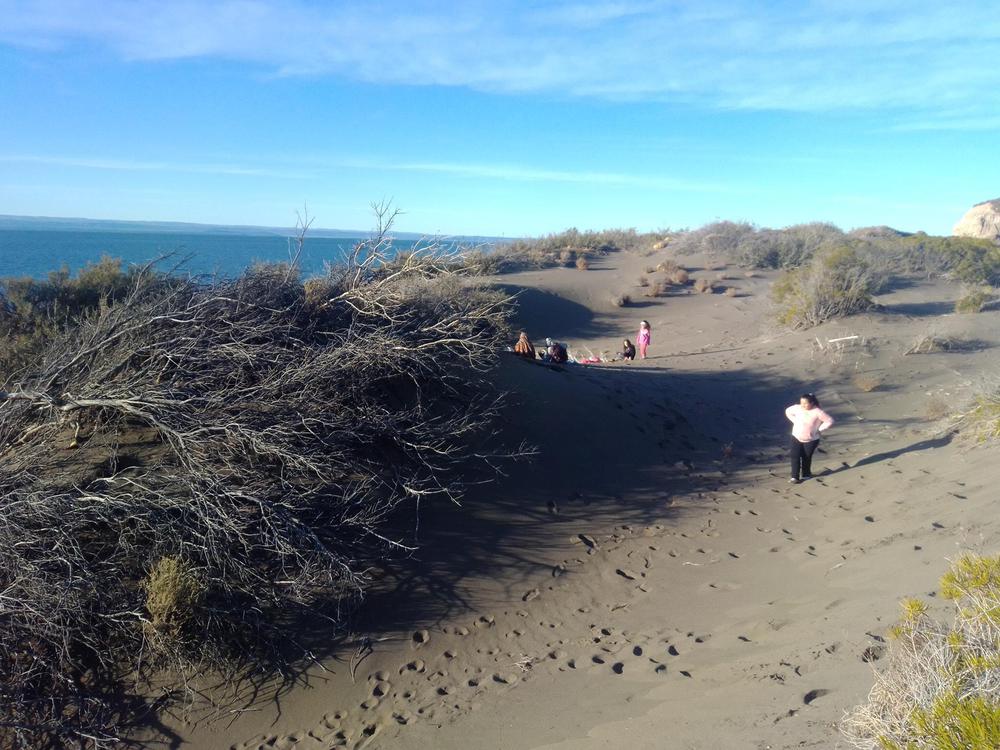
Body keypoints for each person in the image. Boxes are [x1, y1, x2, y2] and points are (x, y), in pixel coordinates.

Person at [785, 393, 834, 483]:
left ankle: (806, 474)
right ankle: (794, 477)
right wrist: (794, 421)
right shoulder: (797, 408)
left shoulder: (818, 412)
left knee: (806, 457)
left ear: (812, 403)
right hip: (796, 436)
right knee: (794, 456)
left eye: (805, 403)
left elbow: (829, 421)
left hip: (811, 439)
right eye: (801, 403)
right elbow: (788, 411)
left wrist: (819, 429)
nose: (803, 405)